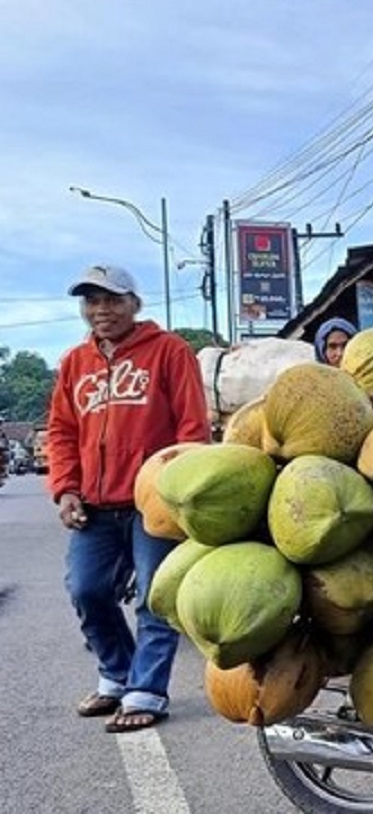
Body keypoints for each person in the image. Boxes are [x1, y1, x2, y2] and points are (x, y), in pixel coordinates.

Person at [46, 264, 211, 733]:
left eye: (112, 300)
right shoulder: (74, 364)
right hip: (93, 504)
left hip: (152, 502)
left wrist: (178, 491)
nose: (102, 310)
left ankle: (147, 691)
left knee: (154, 599)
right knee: (87, 589)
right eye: (92, 301)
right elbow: (61, 432)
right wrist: (65, 488)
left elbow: (192, 429)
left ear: (135, 304)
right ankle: (116, 675)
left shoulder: (170, 352)